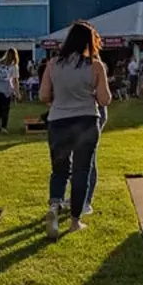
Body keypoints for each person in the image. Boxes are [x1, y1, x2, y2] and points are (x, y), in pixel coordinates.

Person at [39, 21, 111, 239]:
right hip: (87, 120)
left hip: (59, 120)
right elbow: (104, 99)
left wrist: (58, 99)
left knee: (59, 169)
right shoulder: (96, 66)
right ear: (90, 42)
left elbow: (43, 96)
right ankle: (74, 221)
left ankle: (54, 206)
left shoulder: (53, 64)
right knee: (81, 171)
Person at [0, 48, 20, 133]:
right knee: (6, 107)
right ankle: (4, 127)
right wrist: (17, 92)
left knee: (0, 106)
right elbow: (15, 80)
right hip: (6, 86)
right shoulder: (14, 66)